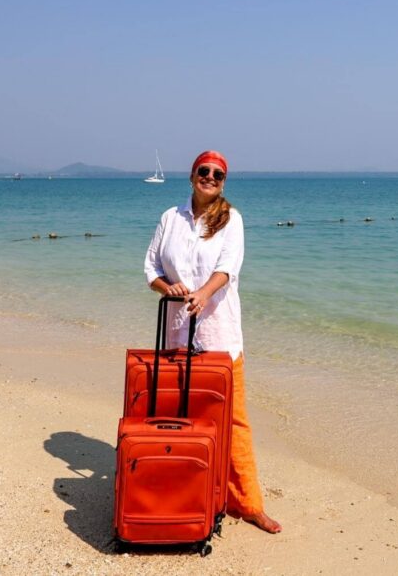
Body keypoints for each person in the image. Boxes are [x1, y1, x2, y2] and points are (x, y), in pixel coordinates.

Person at [144, 150, 282, 534]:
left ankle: (248, 504)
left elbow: (227, 269)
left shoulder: (231, 219)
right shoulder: (170, 218)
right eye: (204, 171)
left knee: (233, 421)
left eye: (217, 175)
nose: (210, 177)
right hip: (177, 336)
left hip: (220, 337)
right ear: (192, 176)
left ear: (223, 183)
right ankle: (187, 495)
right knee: (181, 419)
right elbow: (151, 267)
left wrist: (203, 293)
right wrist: (167, 287)